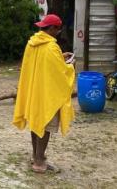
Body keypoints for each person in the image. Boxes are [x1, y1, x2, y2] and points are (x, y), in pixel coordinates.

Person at [12, 14, 75, 174]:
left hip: (34, 92)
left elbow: (42, 64)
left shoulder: (32, 43)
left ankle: (36, 156)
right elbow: (60, 72)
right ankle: (39, 163)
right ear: (52, 28)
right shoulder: (51, 47)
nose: (58, 32)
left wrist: (61, 57)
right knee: (46, 126)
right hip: (47, 94)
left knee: (36, 123)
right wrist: (70, 66)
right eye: (58, 29)